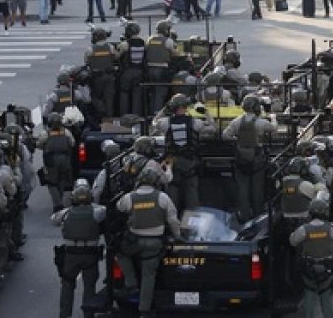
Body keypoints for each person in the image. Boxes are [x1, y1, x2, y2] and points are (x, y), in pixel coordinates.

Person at [115, 168, 181, 318]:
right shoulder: (162, 198)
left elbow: (119, 208)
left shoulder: (129, 197)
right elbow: (173, 221)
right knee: (148, 275)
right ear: (155, 182)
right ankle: (144, 310)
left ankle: (131, 284)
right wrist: (178, 237)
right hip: (154, 243)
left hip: (133, 242)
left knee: (120, 254)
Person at [51, 182, 106, 318]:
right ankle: (88, 314)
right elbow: (105, 210)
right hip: (90, 256)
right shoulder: (97, 212)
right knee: (89, 287)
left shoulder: (66, 214)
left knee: (67, 285)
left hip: (71, 256)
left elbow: (53, 220)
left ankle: (65, 315)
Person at [157, 94, 215, 212]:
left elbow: (154, 122)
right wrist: (206, 112)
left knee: (172, 193)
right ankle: (192, 224)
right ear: (186, 107)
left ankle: (172, 223)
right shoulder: (195, 122)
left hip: (171, 163)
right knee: (192, 193)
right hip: (190, 162)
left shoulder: (165, 122)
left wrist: (165, 109)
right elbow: (213, 128)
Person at [224, 96, 278, 220]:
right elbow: (273, 128)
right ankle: (258, 216)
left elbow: (225, 135)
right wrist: (274, 118)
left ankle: (244, 215)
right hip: (257, 159)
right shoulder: (261, 122)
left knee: (243, 189)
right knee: (257, 188)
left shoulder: (236, 121)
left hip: (241, 159)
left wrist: (238, 141)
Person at [290, 199, 333, 318]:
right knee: (327, 300)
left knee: (309, 297)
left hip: (309, 270)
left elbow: (292, 241)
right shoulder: (332, 228)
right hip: (327, 270)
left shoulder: (304, 229)